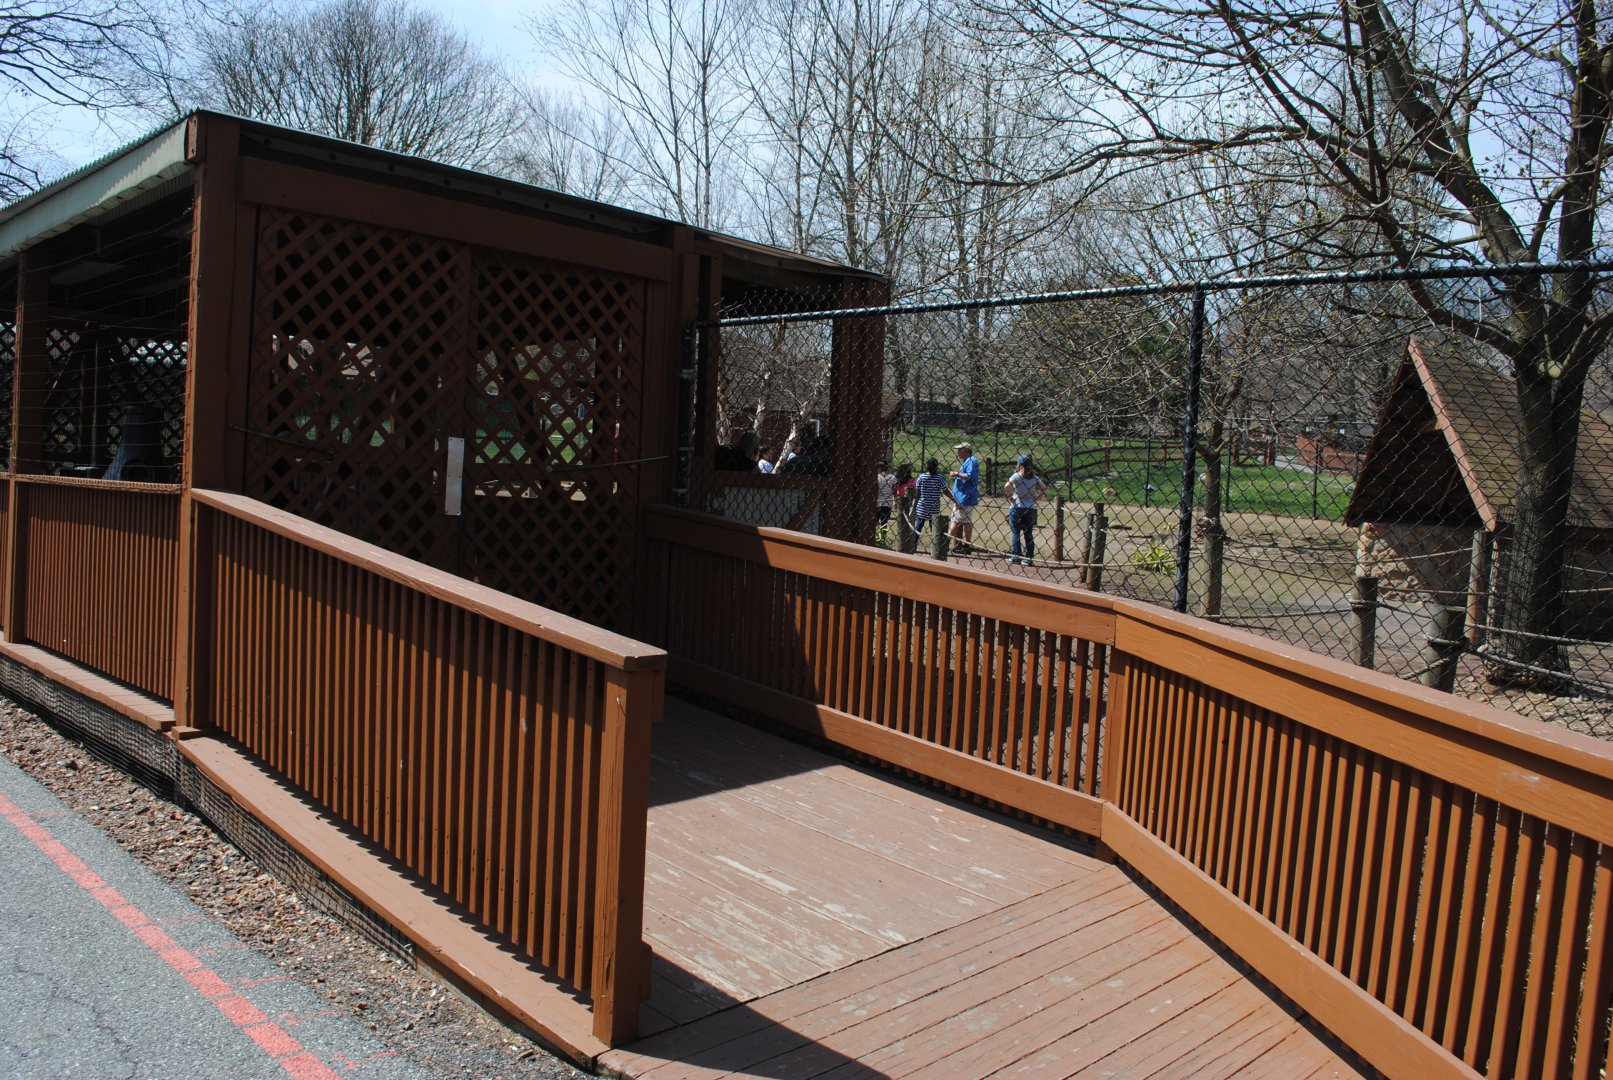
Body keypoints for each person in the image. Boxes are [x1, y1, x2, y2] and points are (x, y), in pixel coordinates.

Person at [1003, 454, 1046, 565]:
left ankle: (1016, 556)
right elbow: (1043, 487)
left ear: (1019, 464)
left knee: (1016, 531)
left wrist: (1010, 497)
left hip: (1017, 506)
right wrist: (1037, 497)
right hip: (1030, 507)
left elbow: (1007, 486)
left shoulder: (1016, 476)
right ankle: (1029, 558)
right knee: (1029, 533)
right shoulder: (1034, 477)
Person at [948, 441, 981, 554]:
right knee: (965, 521)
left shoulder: (971, 461)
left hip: (964, 498)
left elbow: (969, 476)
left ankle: (945, 543)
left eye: (960, 450)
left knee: (955, 521)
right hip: (964, 496)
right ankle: (966, 545)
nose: (958, 452)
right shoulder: (967, 461)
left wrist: (956, 473)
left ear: (966, 451)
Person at [914, 457, 951, 542]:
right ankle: (936, 545)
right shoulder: (939, 478)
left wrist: (914, 507)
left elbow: (917, 493)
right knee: (934, 528)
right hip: (934, 508)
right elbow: (946, 491)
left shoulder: (921, 477)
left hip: (922, 507)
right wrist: (955, 500)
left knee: (918, 526)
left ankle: (914, 544)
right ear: (936, 467)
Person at [875, 460, 897, 526]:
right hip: (888, 503)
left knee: (875, 521)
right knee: (884, 522)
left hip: (877, 502)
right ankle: (883, 535)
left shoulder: (877, 477)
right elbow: (894, 491)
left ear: (879, 468)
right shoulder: (892, 477)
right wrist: (895, 502)